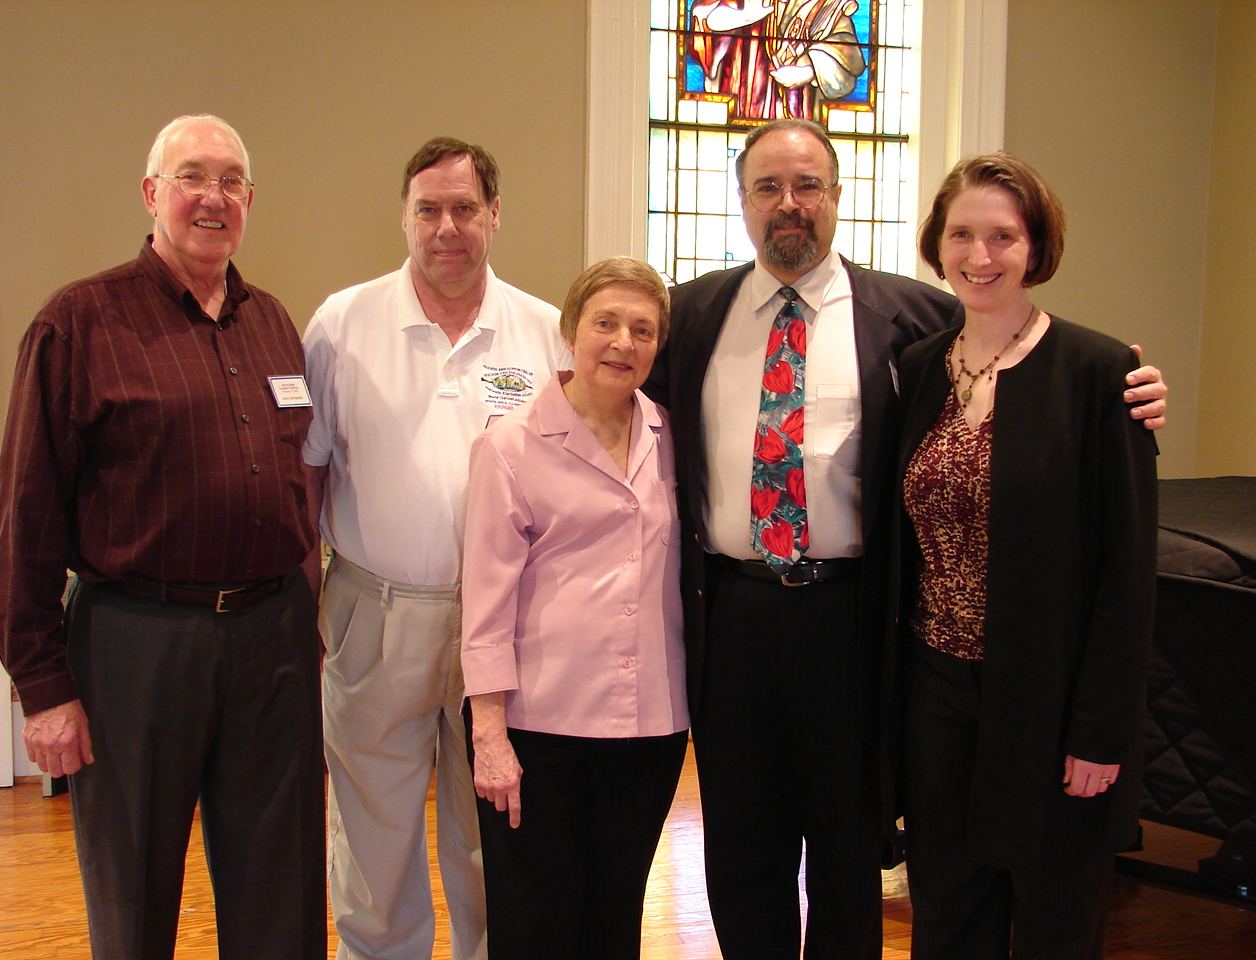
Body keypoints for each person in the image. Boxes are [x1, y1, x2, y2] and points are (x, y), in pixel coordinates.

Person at [640, 118, 1168, 960]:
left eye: (808, 185)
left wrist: (1130, 388)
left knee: (849, 844)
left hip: (855, 621)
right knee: (741, 843)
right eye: (768, 186)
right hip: (731, 616)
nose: (789, 203)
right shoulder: (690, 314)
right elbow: (618, 407)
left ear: (837, 197)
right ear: (741, 200)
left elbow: (1029, 360)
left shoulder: (917, 320)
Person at [0, 115, 325, 960]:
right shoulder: (79, 322)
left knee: (281, 886)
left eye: (232, 181)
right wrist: (42, 686)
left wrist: (306, 620)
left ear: (250, 200)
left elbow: (300, 480)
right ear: (151, 193)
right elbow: (26, 515)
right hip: (135, 644)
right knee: (133, 889)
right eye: (192, 177)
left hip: (271, 641)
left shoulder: (271, 321)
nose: (214, 197)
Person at [302, 136, 570, 960]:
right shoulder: (342, 324)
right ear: (405, 218)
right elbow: (307, 472)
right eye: (428, 210)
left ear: (495, 214)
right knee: (372, 832)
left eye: (464, 208)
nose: (446, 227)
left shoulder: (544, 332)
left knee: (492, 830)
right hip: (374, 612)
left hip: (507, 625)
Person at [894, 153, 1158, 959]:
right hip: (937, 690)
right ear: (937, 245)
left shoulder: (1100, 373)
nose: (980, 255)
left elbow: (1126, 571)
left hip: (1049, 698)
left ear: (1036, 247)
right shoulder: (920, 368)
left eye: (1003, 236)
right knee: (946, 910)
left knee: (1055, 920)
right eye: (961, 234)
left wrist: (1102, 730)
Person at [462, 257, 688, 960]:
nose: (623, 342)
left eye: (643, 330)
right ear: (570, 331)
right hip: (540, 729)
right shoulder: (510, 445)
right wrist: (489, 735)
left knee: (615, 920)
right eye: (605, 323)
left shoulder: (672, 436)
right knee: (535, 927)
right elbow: (484, 605)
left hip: (648, 727)